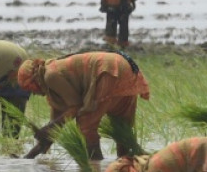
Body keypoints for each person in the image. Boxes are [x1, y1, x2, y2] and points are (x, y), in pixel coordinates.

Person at [16, 51, 149, 160]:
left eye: (30, 88)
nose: (34, 93)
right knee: (121, 129)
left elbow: (75, 107)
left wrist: (48, 128)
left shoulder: (50, 76)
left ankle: (95, 168)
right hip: (124, 67)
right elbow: (55, 128)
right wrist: (29, 156)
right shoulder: (52, 86)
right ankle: (132, 164)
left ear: (34, 78)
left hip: (108, 71)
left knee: (86, 123)